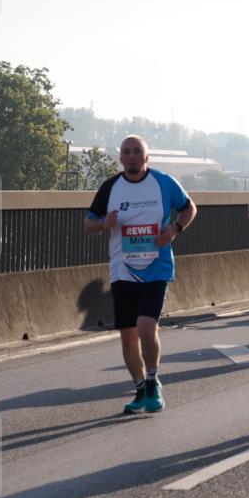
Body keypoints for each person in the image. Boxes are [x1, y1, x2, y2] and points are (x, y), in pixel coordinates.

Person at [86, 135, 196, 413]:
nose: (132, 156)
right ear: (120, 158)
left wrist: (174, 230)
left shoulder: (165, 183)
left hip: (156, 267)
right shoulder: (111, 187)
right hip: (122, 270)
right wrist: (103, 223)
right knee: (128, 336)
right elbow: (88, 224)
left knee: (147, 329)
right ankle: (139, 389)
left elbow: (189, 208)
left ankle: (152, 381)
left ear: (147, 157)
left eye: (138, 152)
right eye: (127, 152)